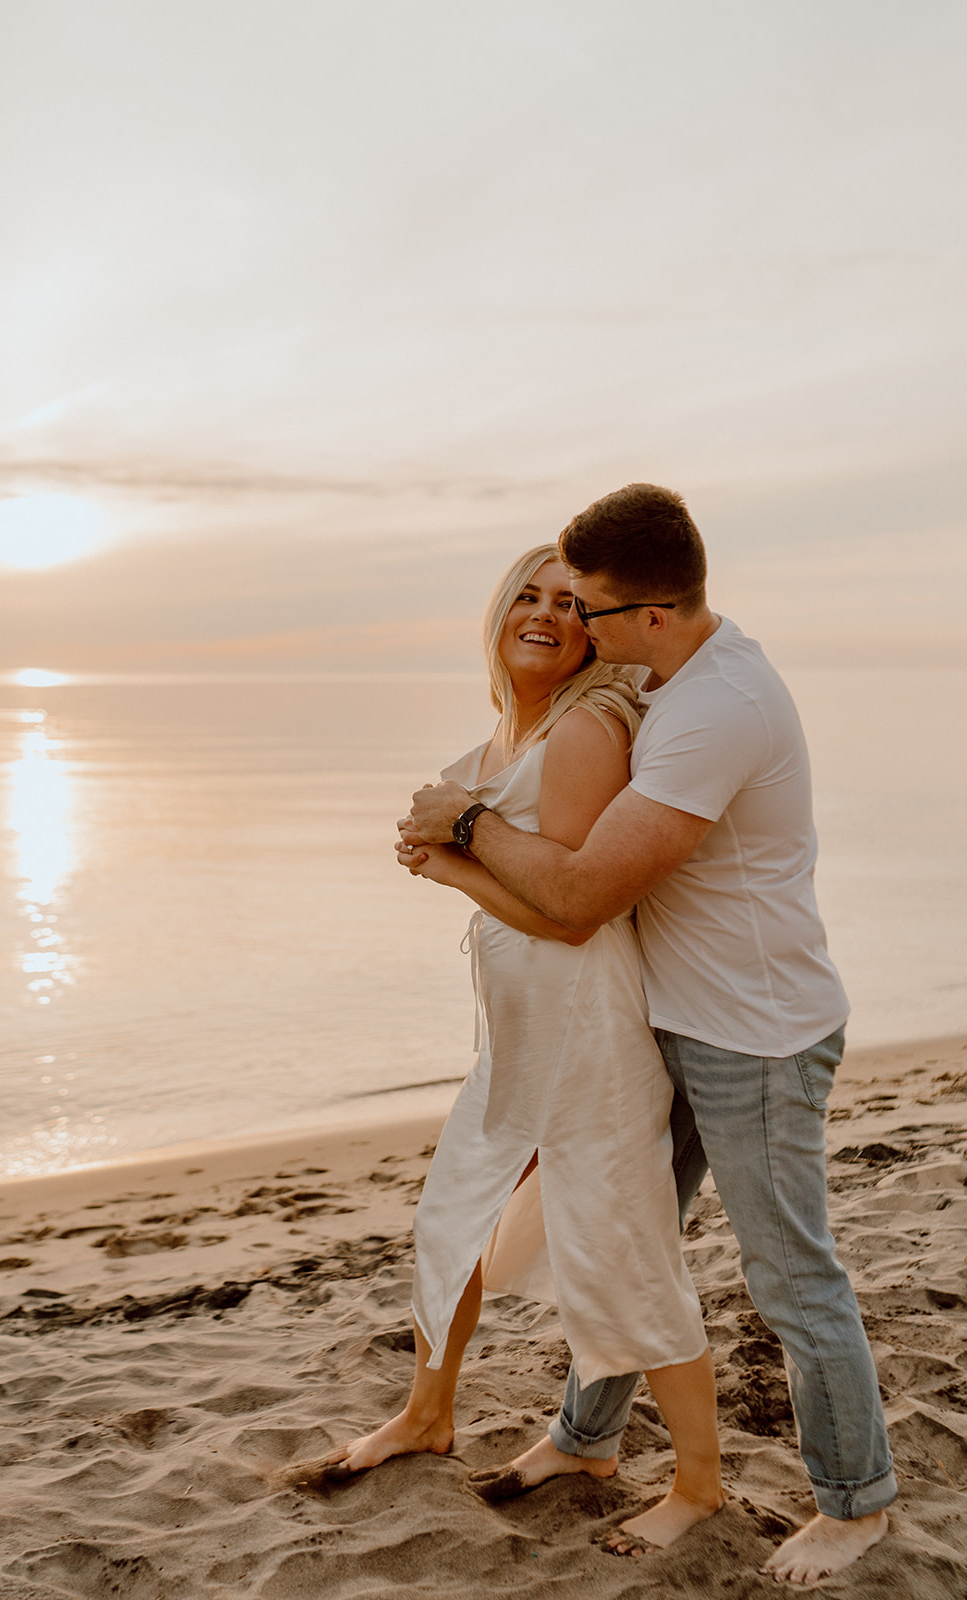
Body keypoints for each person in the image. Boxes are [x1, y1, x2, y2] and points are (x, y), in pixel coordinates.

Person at [402, 483, 895, 1586]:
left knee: (788, 1273)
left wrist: (464, 826)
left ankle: (855, 1502)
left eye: (588, 607)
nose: (573, 621)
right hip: (663, 1012)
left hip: (751, 1033)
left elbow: (581, 892)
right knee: (620, 1230)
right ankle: (586, 1438)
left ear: (651, 615)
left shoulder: (717, 708)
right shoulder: (662, 679)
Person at [322, 544, 724, 1554]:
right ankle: (426, 1413)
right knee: (452, 1217)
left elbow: (574, 913)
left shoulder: (585, 728)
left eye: (568, 603)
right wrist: (443, 845)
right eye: (527, 596)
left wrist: (451, 866)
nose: (543, 613)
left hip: (589, 1030)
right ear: (499, 611)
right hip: (519, 1035)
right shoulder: (508, 733)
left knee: (626, 1256)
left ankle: (699, 1484)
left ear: (593, 630)